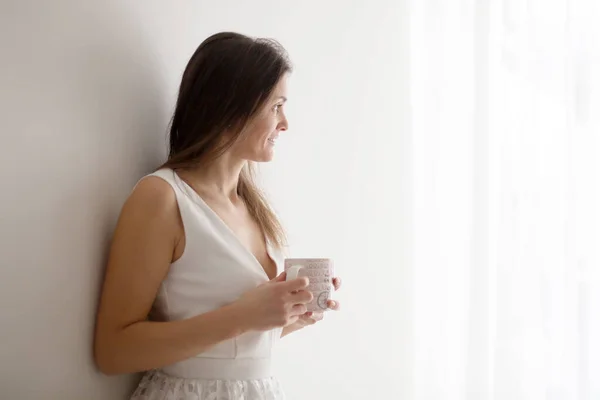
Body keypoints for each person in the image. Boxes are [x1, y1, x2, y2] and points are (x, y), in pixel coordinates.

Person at [93, 32, 342, 400]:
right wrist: (244, 316)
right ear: (231, 107)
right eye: (276, 106)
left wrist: (286, 315)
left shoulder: (252, 206)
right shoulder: (162, 199)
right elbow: (112, 352)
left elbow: (230, 346)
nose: (285, 123)